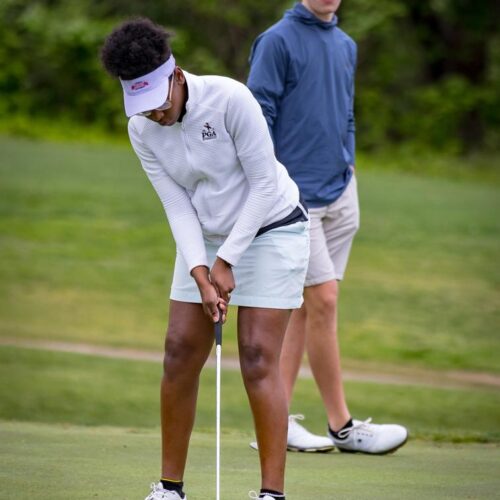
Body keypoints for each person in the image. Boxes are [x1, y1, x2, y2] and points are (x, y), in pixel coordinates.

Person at [101, 18, 310, 500]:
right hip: (207, 238)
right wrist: (201, 270)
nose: (153, 114)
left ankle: (271, 494)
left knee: (258, 355)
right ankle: (170, 487)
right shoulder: (142, 129)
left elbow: (262, 186)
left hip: (273, 227)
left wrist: (227, 261)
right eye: (141, 106)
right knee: (178, 349)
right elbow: (176, 204)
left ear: (175, 77)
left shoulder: (230, 98)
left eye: (158, 102)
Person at [247, 0, 408, 454]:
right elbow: (257, 119)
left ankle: (276, 424)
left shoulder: (345, 44)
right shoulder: (276, 41)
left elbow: (347, 113)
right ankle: (343, 425)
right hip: (297, 198)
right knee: (324, 300)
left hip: (341, 190)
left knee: (303, 307)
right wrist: (273, 187)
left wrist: (349, 162)